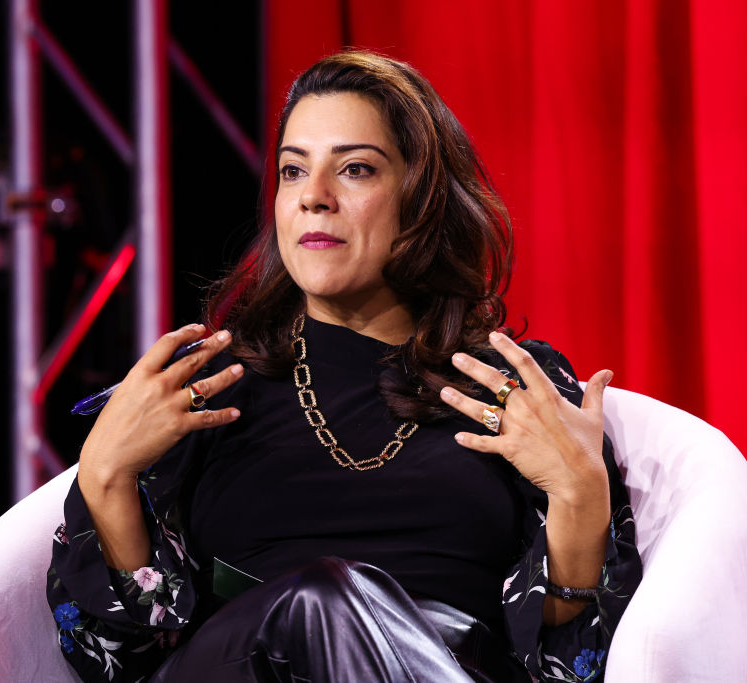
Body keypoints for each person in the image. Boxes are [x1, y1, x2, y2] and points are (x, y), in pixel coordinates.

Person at [47, 50, 641, 682]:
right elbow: (114, 659)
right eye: (293, 171)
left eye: (355, 169)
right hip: (243, 665)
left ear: (422, 197)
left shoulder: (510, 384)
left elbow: (572, 666)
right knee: (317, 604)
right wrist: (104, 475)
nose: (314, 197)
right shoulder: (204, 388)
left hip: (450, 667)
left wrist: (580, 499)